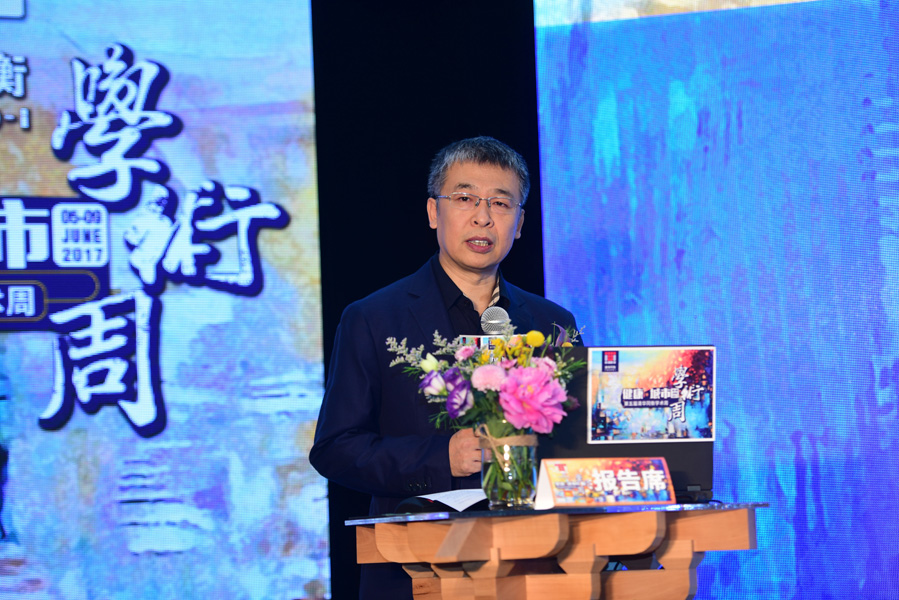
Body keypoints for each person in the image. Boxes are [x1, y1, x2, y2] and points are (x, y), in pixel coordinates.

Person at [309, 136, 579, 599]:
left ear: (519, 224)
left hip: (536, 568)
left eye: (500, 203)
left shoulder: (552, 323)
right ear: (434, 212)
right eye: (465, 198)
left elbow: (577, 443)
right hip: (415, 570)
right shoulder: (374, 318)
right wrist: (441, 458)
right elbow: (335, 448)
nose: (483, 217)